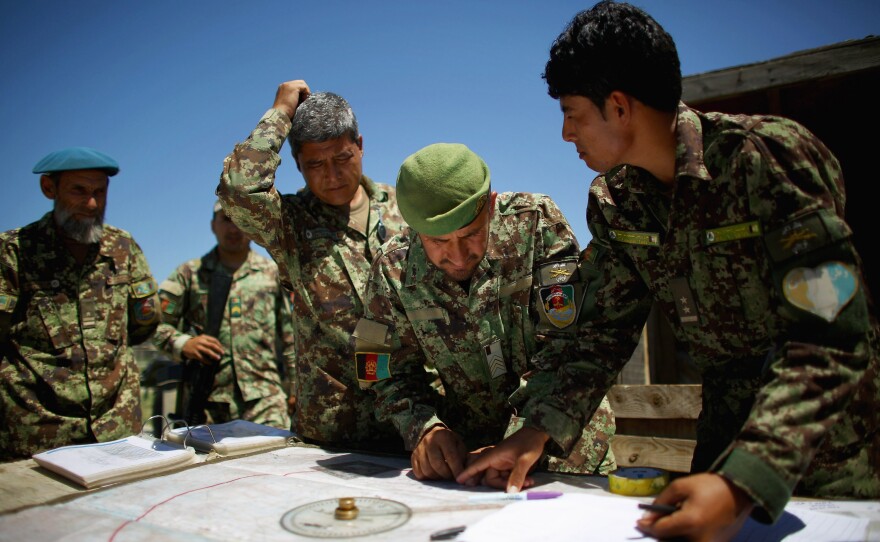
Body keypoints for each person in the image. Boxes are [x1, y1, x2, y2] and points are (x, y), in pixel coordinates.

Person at [458, 2, 880, 540]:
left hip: (827, 456)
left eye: (572, 112)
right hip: (720, 449)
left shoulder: (762, 159)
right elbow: (598, 335)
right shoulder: (616, 201)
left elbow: (832, 336)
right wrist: (536, 430)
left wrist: (745, 481)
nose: (566, 133)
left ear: (618, 107)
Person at [355, 142, 616, 482]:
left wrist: (522, 434)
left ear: (491, 205)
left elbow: (567, 344)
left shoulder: (536, 226)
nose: (459, 256)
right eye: (438, 242)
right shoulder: (392, 269)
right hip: (469, 465)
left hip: (563, 450)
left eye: (472, 233)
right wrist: (423, 428)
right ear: (413, 229)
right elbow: (378, 370)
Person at [217, 80, 407, 452]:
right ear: (297, 165)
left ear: (361, 146)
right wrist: (280, 113)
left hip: (421, 423)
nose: (332, 176)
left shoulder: (406, 207)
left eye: (342, 158)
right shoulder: (291, 225)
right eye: (315, 164)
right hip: (334, 434)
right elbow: (238, 190)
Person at [0, 146, 161, 460]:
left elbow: (144, 324)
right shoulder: (14, 251)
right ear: (49, 188)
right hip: (38, 434)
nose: (92, 204)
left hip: (116, 430)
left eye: (100, 192)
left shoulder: (123, 247)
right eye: (79, 191)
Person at [152, 201, 295, 430]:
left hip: (265, 402)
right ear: (213, 226)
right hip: (207, 404)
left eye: (241, 220)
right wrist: (183, 343)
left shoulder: (273, 274)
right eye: (226, 220)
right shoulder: (190, 274)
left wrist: (296, 389)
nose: (234, 228)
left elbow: (291, 337)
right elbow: (153, 326)